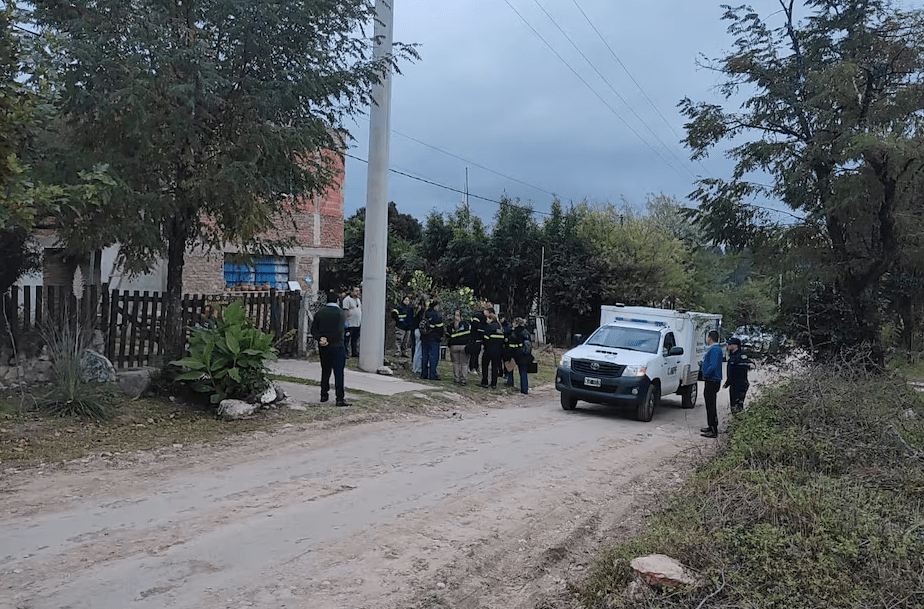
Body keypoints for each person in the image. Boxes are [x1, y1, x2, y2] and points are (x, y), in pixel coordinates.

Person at [309, 291, 351, 407]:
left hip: (323, 346)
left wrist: (321, 338)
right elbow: (339, 331)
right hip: (337, 345)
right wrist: (330, 339)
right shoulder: (340, 313)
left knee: (325, 370)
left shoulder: (319, 313)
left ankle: (324, 394)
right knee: (339, 372)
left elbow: (313, 330)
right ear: (337, 300)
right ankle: (339, 398)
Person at [700, 330, 723, 438]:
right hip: (712, 380)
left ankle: (713, 429)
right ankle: (710, 426)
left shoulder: (714, 349)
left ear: (709, 338)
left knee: (711, 404)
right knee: (709, 404)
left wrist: (705, 373)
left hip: (712, 380)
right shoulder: (715, 349)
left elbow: (713, 365)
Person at [725, 337, 754, 414]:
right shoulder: (732, 356)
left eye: (730, 344)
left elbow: (748, 363)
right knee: (733, 405)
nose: (728, 346)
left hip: (740, 384)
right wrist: (727, 382)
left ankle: (739, 420)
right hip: (733, 384)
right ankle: (736, 419)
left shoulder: (741, 355)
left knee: (738, 406)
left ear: (735, 346)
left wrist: (749, 364)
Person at [504, 317, 532, 394]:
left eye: (514, 322)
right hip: (523, 354)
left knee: (510, 369)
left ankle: (510, 383)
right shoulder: (526, 332)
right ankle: (524, 389)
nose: (512, 324)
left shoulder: (513, 332)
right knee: (523, 372)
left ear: (517, 323)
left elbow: (510, 342)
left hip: (513, 353)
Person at [420, 299, 444, 380]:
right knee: (434, 357)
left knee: (424, 356)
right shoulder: (437, 315)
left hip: (424, 338)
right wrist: (440, 337)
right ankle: (433, 375)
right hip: (434, 339)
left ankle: (424, 374)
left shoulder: (425, 313)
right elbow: (440, 329)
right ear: (436, 306)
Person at [481, 309, 504, 388]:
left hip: (489, 350)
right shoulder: (500, 328)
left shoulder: (489, 326)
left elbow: (485, 338)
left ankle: (484, 382)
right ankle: (494, 383)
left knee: (485, 366)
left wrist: (485, 346)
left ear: (490, 319)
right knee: (495, 367)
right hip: (498, 351)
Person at [447, 309, 471, 385]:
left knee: (455, 363)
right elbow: (469, 335)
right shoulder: (466, 325)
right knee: (464, 364)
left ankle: (456, 379)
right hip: (464, 346)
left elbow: (448, 336)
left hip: (453, 346)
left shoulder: (450, 326)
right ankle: (463, 379)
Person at [342, 285, 362, 357]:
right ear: (351, 292)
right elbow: (345, 310)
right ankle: (345, 352)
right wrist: (346, 321)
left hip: (357, 323)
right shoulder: (347, 300)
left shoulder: (358, 300)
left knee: (355, 339)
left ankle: (354, 352)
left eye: (358, 291)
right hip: (350, 323)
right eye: (356, 291)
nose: (358, 292)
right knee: (347, 339)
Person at [412, 294, 427, 375]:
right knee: (420, 350)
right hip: (420, 330)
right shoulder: (423, 311)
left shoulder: (416, 309)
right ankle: (418, 368)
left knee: (417, 349)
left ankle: (414, 367)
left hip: (415, 329)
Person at [468, 308, 487, 374]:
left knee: (475, 354)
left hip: (475, 338)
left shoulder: (478, 315)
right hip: (475, 338)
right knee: (474, 354)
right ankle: (473, 367)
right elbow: (475, 325)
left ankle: (474, 367)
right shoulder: (479, 316)